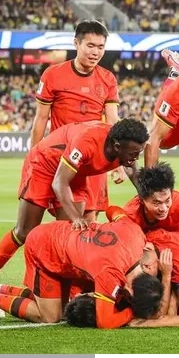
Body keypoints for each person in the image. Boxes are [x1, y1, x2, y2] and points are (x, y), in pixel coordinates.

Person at [0, 118, 149, 304]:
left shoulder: (125, 149)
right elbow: (59, 182)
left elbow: (134, 173)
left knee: (70, 239)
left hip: (74, 173)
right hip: (44, 164)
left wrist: (147, 199)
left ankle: (68, 296)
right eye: (134, 154)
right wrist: (76, 217)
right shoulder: (87, 141)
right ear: (117, 146)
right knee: (25, 232)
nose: (136, 159)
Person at [0, 215, 164, 329]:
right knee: (50, 317)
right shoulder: (110, 273)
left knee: (59, 307)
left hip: (62, 238)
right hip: (45, 250)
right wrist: (131, 312)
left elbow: (115, 211)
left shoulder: (136, 235)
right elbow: (105, 321)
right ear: (129, 290)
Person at [31, 19, 125, 222]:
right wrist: (33, 157)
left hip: (95, 160)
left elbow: (112, 121)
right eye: (90, 45)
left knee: (90, 225)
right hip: (65, 159)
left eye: (100, 47)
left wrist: (118, 163)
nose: (96, 52)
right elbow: (40, 119)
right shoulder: (52, 75)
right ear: (76, 43)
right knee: (68, 225)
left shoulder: (108, 78)